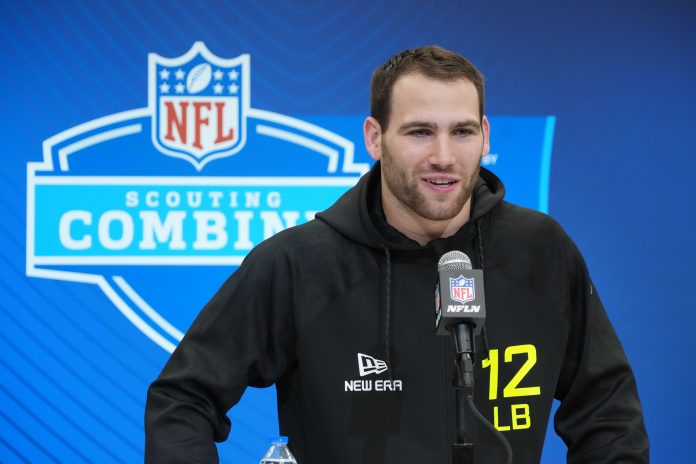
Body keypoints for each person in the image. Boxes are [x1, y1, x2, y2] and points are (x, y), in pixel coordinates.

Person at [145, 46, 649, 463]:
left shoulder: (541, 251)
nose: (444, 157)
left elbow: (607, 414)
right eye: (419, 132)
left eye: (462, 131)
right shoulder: (300, 262)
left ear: (486, 137)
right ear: (375, 138)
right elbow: (183, 400)